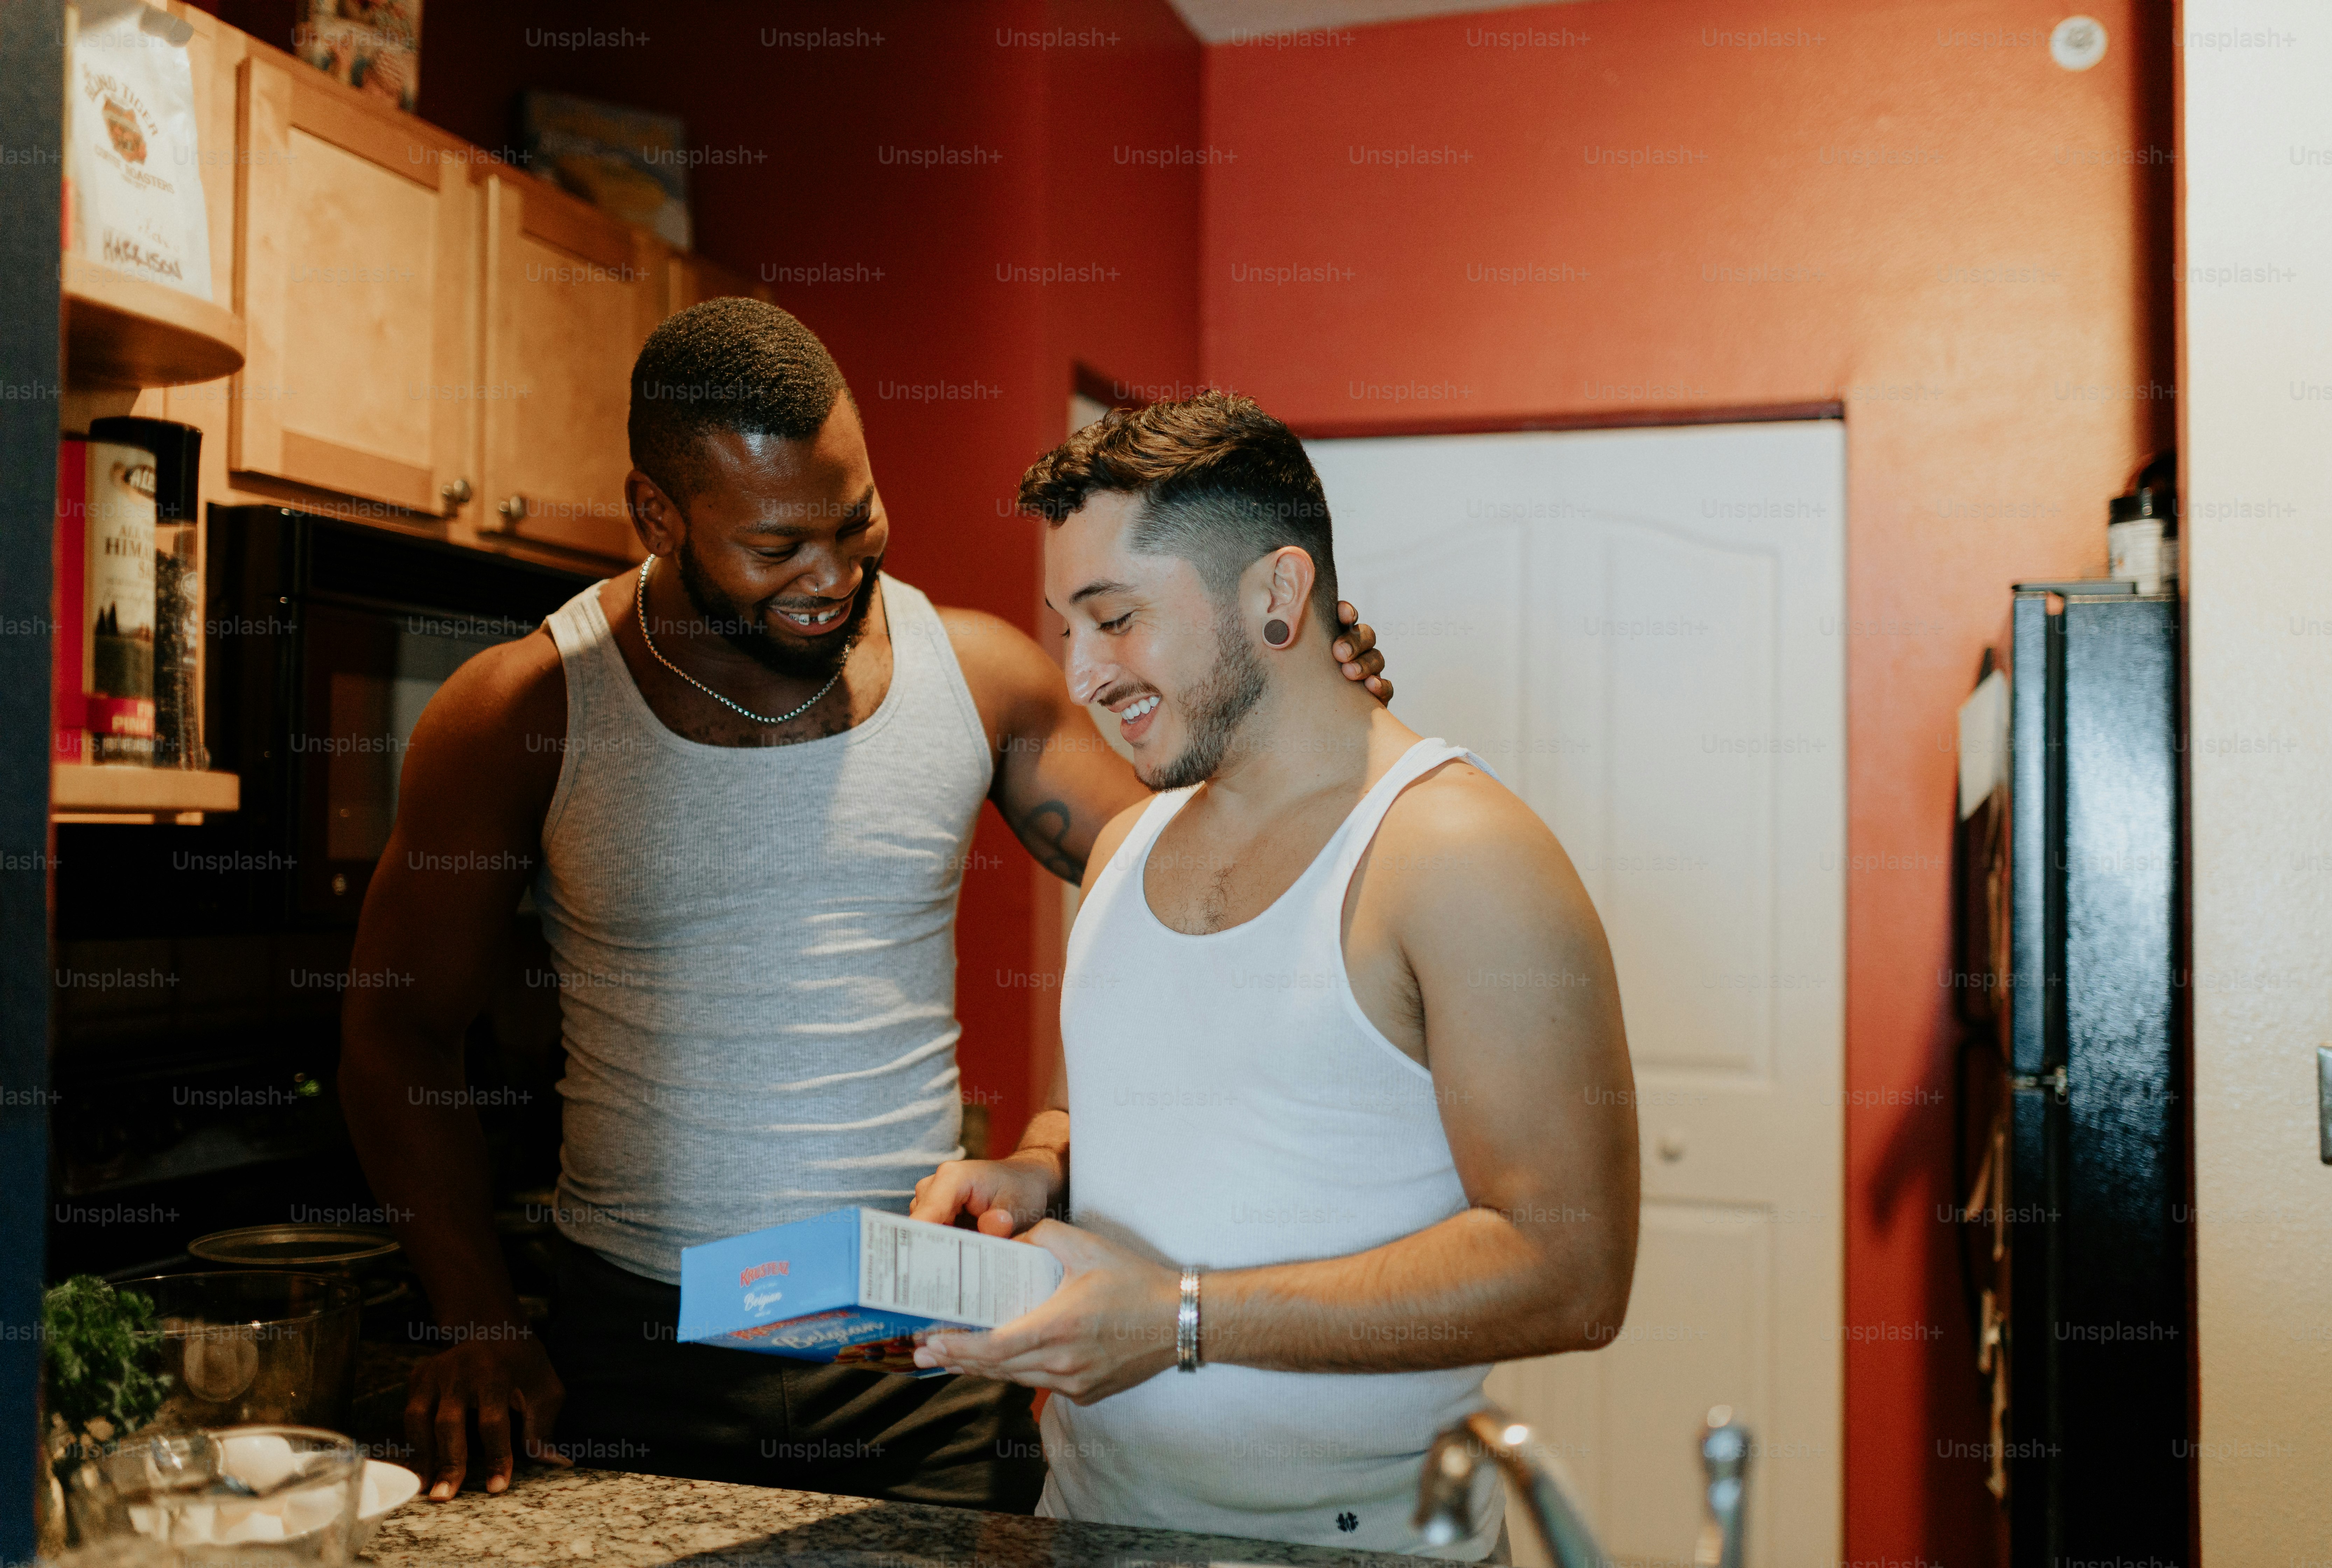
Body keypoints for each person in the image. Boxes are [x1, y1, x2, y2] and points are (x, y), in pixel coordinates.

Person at [338, 301, 1393, 1508]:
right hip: (636, 1357)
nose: (832, 579)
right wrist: (473, 1315)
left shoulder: (979, 675)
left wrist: (1297, 702)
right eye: (777, 546)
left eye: (857, 523)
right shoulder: (523, 711)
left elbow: (1207, 884)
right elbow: (397, 1031)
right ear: (657, 516)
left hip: (924, 1350)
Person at [907, 392, 1640, 1559]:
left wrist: (1181, 1321)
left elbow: (1571, 1270)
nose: (1084, 675)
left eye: (1118, 619)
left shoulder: (1460, 858)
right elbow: (1086, 1113)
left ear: (1277, 597)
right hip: (1087, 1520)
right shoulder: (1119, 849)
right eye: (1066, 627)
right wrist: (1035, 1173)